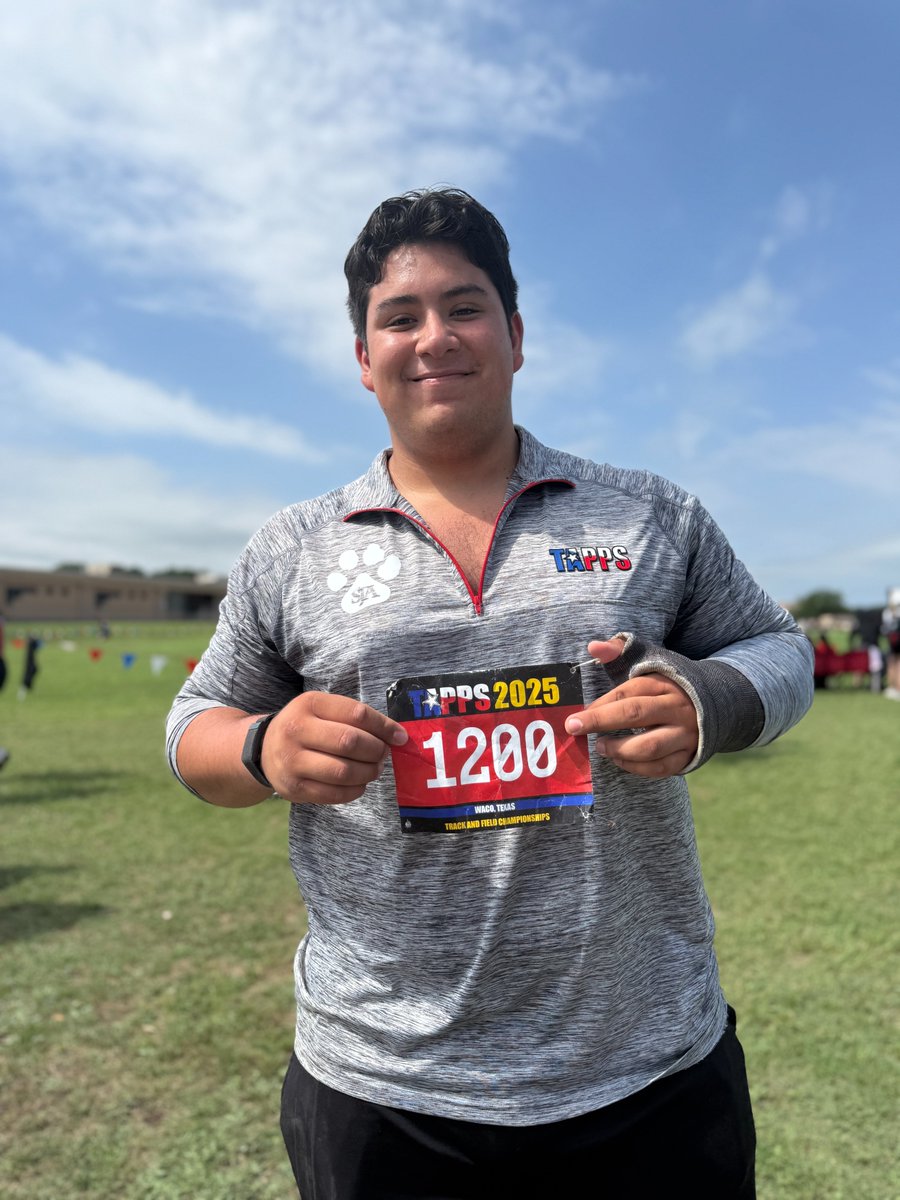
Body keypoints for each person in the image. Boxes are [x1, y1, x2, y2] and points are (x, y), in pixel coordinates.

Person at [166, 188, 813, 1198]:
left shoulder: (648, 513)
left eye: (464, 308)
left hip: (644, 1070)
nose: (435, 337)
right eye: (400, 317)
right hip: (385, 1085)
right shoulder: (290, 550)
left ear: (514, 334)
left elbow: (779, 647)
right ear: (362, 356)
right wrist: (262, 748)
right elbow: (192, 724)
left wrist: (707, 701)